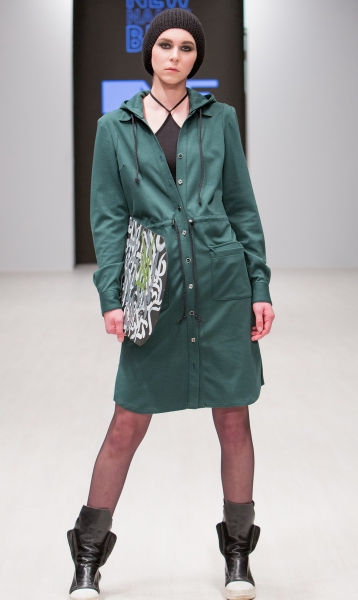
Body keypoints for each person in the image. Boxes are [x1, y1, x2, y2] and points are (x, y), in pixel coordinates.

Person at [67, 8, 275, 600]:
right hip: (149, 284)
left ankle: (238, 555)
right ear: (150, 54)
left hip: (222, 282)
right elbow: (108, 218)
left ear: (196, 58)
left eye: (186, 47)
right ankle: (87, 558)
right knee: (127, 421)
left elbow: (242, 206)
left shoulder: (220, 119)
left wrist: (259, 284)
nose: (175, 56)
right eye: (165, 45)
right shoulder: (115, 127)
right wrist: (112, 295)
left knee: (233, 418)